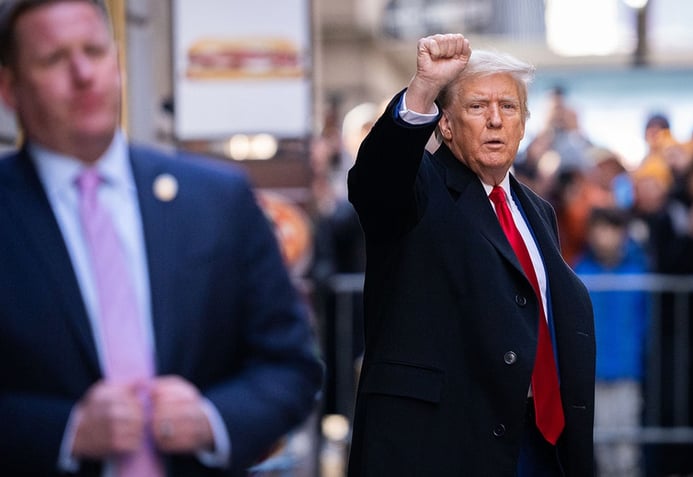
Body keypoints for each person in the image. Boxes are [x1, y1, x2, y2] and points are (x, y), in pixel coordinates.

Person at [0, 1, 323, 476]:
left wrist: (214, 419)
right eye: (53, 59)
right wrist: (66, 431)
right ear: (10, 89)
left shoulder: (216, 198)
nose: (83, 73)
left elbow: (292, 366)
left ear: (118, 63)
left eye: (94, 50)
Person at [346, 33, 596, 476]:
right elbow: (377, 182)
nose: (495, 120)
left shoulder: (536, 210)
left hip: (536, 443)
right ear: (445, 124)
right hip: (439, 446)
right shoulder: (421, 186)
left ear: (524, 124)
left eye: (509, 107)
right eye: (478, 106)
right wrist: (422, 90)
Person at [573, 207, 649, 477]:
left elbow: (645, 320)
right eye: (599, 229)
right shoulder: (579, 270)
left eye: (611, 229)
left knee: (627, 439)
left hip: (628, 369)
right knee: (601, 440)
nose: (605, 236)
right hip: (594, 371)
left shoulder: (639, 269)